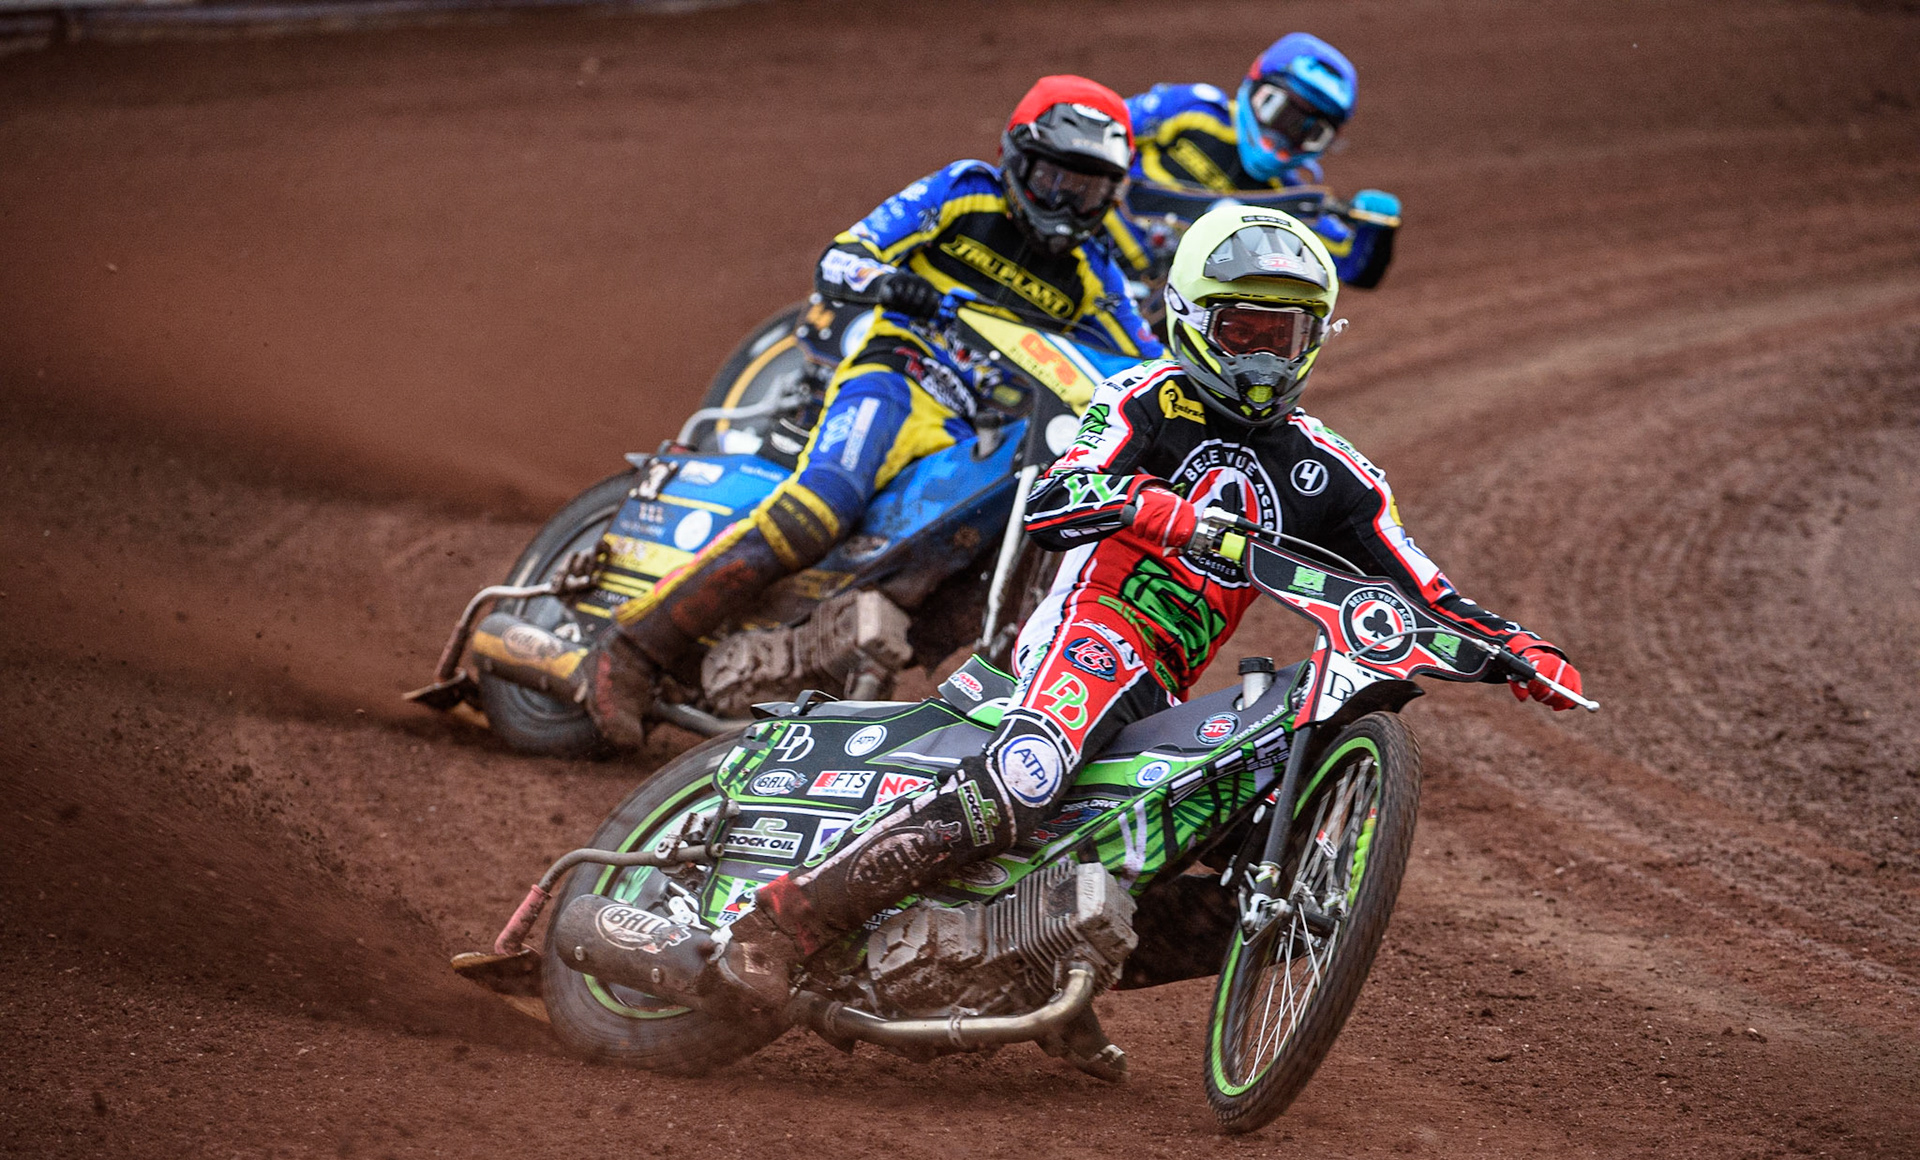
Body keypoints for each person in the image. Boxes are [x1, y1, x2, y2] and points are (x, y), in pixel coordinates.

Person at [716, 204, 1581, 1008]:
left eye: (1286, 336)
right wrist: (1148, 506)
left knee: (1265, 889)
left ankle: (1035, 969)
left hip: (1163, 687)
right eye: (1242, 330)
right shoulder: (1143, 399)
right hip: (1089, 633)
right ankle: (785, 922)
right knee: (1028, 778)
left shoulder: (1334, 472)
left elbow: (1422, 589)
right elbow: (1058, 501)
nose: (1263, 359)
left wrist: (1520, 649)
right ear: (1193, 319)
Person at [581, 74, 1162, 747]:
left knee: (964, 575)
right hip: (894, 377)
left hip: (968, 431)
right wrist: (888, 281)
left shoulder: (1095, 271)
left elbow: (1145, 364)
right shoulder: (964, 192)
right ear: (1018, 159)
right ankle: (631, 648)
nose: (1066, 201)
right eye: (1055, 179)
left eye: (1086, 189)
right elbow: (847, 254)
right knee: (819, 510)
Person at [1108, 32, 1402, 291]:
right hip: (1089, 250)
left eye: (1311, 133)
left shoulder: (1292, 202)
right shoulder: (1194, 110)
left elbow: (1353, 267)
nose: (1283, 138)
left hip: (1154, 308)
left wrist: (1377, 228)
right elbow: (1103, 129)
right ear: (1255, 83)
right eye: (1280, 112)